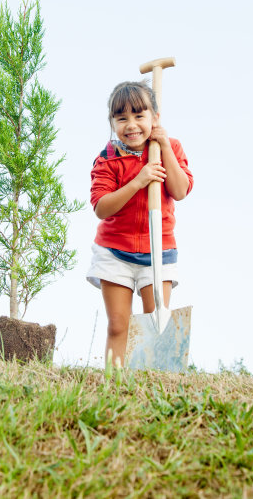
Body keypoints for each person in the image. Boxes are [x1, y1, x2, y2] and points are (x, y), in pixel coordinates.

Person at [87, 80, 193, 366]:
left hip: (158, 249)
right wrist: (139, 180)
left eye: (139, 116)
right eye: (122, 118)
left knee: (155, 321)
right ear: (112, 122)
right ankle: (113, 384)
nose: (131, 125)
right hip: (114, 252)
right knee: (118, 325)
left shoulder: (169, 148)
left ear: (154, 118)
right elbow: (101, 207)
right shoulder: (107, 159)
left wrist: (164, 147)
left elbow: (180, 190)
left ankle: (153, 382)